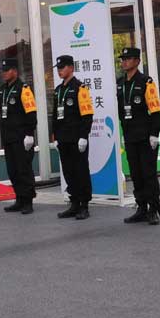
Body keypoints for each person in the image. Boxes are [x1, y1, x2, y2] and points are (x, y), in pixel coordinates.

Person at [117, 48, 160, 225]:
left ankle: (153, 209)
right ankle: (141, 207)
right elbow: (122, 111)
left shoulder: (146, 82)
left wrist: (154, 134)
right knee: (136, 174)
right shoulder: (120, 83)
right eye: (123, 59)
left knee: (148, 174)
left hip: (145, 137)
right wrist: (124, 133)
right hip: (130, 136)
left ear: (137, 61)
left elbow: (155, 110)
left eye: (128, 59)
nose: (124, 62)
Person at [51, 55, 94, 220]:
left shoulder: (80, 88)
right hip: (63, 139)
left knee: (80, 171)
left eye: (62, 67)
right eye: (58, 68)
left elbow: (87, 115)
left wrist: (83, 136)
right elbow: (55, 116)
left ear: (71, 68)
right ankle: (74, 203)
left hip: (76, 139)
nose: (60, 71)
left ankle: (84, 205)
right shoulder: (58, 90)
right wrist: (55, 136)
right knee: (68, 172)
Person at [0, 58, 37, 214]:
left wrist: (29, 134)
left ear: (15, 71)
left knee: (23, 170)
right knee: (12, 170)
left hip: (21, 137)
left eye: (7, 70)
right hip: (8, 137)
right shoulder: (3, 90)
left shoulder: (24, 89)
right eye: (3, 71)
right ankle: (19, 199)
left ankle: (28, 201)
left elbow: (31, 113)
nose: (4, 73)